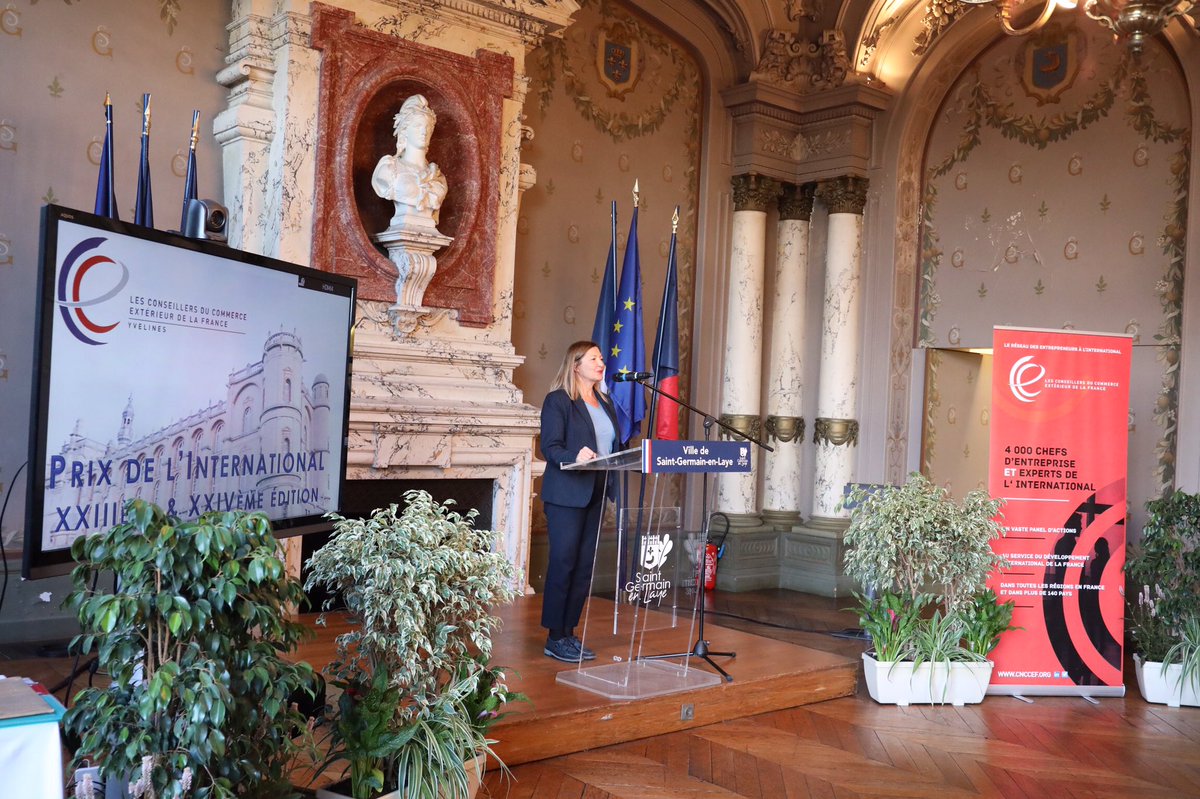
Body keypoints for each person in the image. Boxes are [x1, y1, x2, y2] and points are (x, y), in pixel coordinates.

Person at [539, 341, 619, 663]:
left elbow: (612, 446)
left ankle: (569, 632)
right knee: (564, 563)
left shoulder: (605, 402)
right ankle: (554, 636)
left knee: (584, 567)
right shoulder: (558, 401)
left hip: (596, 491)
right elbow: (550, 447)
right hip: (566, 495)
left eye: (601, 358)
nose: (601, 363)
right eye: (594, 358)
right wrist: (576, 456)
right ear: (576, 365)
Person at [370, 94, 448, 229]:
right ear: (405, 131)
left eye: (428, 127)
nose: (424, 131)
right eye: (418, 126)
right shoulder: (389, 169)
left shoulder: (438, 177)